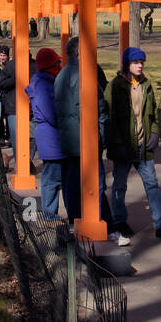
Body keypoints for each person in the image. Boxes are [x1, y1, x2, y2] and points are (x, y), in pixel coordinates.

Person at [54, 37, 127, 245]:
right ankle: (108, 227)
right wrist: (101, 137)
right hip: (86, 140)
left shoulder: (62, 75)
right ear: (80, 53)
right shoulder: (84, 76)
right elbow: (96, 111)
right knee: (95, 184)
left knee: (72, 184)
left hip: (69, 140)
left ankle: (76, 221)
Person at [107, 47, 161, 238]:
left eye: (142, 62)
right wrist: (116, 143)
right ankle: (119, 220)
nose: (140, 65)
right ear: (127, 65)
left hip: (143, 146)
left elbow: (153, 113)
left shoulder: (146, 85)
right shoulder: (115, 86)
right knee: (120, 185)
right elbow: (107, 116)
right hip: (123, 146)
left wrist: (155, 133)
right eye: (135, 62)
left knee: (152, 184)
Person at [28, 48, 76, 221]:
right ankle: (49, 214)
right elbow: (51, 113)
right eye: (57, 62)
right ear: (50, 65)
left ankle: (62, 214)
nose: (59, 65)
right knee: (52, 178)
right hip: (52, 137)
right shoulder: (43, 84)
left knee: (62, 178)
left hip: (54, 136)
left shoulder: (45, 82)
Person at [0, 45, 17, 148]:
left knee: (10, 118)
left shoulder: (11, 66)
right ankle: (1, 136)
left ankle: (9, 137)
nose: (2, 57)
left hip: (9, 96)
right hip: (0, 96)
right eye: (0, 55)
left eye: (4, 55)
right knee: (0, 118)